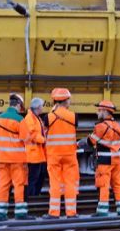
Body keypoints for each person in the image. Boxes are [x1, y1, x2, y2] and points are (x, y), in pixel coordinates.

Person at [88, 100, 120, 216]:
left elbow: (91, 142)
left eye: (99, 110)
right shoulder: (118, 126)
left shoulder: (100, 127)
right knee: (118, 184)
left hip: (105, 162)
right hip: (117, 161)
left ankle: (102, 212)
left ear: (105, 111)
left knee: (103, 185)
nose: (97, 113)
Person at [0, 93, 29, 221]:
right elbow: (26, 139)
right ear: (18, 104)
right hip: (17, 159)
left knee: (3, 186)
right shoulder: (20, 120)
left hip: (3, 158)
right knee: (19, 185)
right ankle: (20, 213)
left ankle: (1, 214)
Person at [45, 88, 79, 219]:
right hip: (69, 155)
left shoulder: (48, 117)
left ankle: (54, 213)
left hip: (54, 155)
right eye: (69, 99)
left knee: (55, 183)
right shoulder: (74, 116)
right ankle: (71, 213)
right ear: (65, 101)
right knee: (70, 183)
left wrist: (53, 111)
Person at [20, 97, 47, 197]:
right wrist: (44, 140)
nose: (43, 108)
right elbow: (32, 134)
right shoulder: (30, 118)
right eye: (42, 106)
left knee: (39, 176)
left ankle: (34, 195)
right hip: (32, 155)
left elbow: (39, 131)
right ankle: (31, 197)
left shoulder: (36, 118)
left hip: (37, 154)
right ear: (38, 107)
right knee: (33, 177)